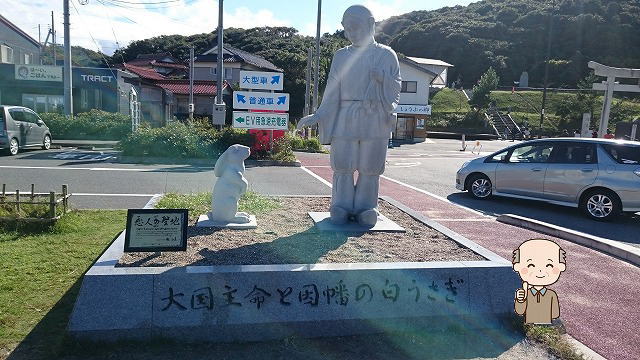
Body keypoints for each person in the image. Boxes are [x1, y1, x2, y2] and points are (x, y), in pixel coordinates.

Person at [297, 5, 401, 226]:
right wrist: (318, 115)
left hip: (375, 116)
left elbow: (396, 88)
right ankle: (341, 205)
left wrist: (383, 79)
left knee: (370, 167)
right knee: (342, 164)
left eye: (356, 28)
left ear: (371, 25)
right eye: (347, 29)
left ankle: (366, 207)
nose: (351, 33)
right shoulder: (341, 56)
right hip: (346, 115)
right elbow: (333, 90)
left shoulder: (386, 55)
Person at [512, 239, 566, 324]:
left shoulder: (551, 294)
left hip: (539, 325)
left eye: (549, 265)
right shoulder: (527, 294)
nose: (540, 270)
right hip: (536, 324)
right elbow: (520, 311)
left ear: (561, 266)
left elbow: (555, 314)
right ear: (518, 266)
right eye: (531, 265)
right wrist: (520, 300)